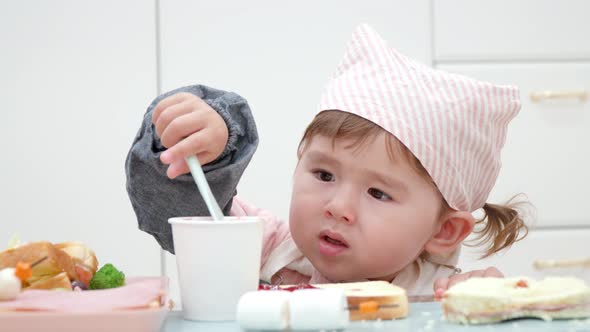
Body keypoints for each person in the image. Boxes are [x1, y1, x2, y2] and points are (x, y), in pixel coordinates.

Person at [125, 24, 529, 297]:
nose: (337, 207)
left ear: (443, 231)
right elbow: (178, 212)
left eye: (378, 192)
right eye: (323, 174)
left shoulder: (443, 299)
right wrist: (207, 144)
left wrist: (494, 304)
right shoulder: (266, 247)